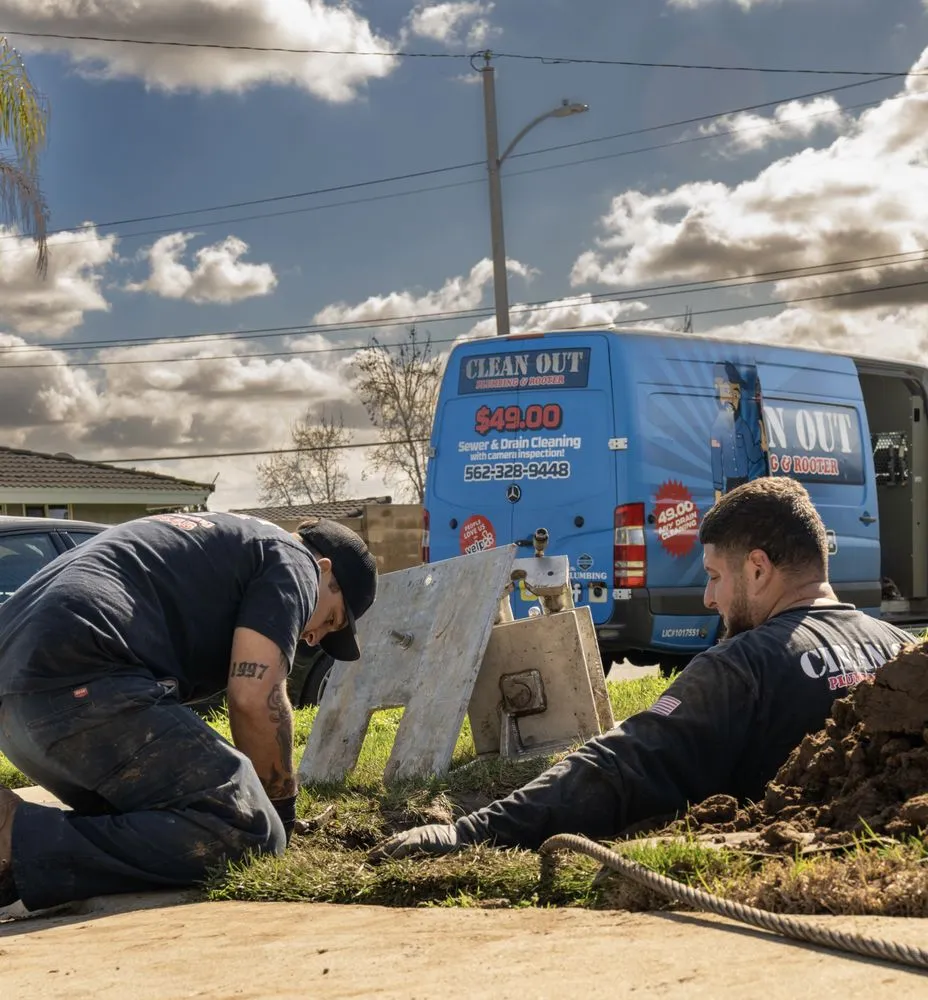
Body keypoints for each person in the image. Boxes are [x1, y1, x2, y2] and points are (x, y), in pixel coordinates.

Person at [371, 477, 911, 860]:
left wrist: (468, 833)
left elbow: (619, 768)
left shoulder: (741, 667)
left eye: (716, 576)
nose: (707, 597)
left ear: (758, 568)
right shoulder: (901, 653)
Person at [0, 511, 377, 913]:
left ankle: (17, 845)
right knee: (250, 829)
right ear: (324, 568)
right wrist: (279, 812)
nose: (313, 636)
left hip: (19, 709)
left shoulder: (229, 538)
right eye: (331, 619)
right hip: (80, 678)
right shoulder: (294, 560)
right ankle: (15, 838)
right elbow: (254, 696)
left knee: (159, 820)